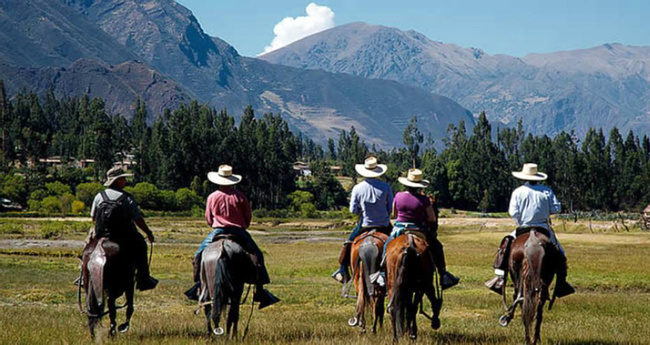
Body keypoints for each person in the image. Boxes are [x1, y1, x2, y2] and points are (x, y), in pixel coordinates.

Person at [185, 165, 279, 309]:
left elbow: (209, 219)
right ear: (233, 181)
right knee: (257, 256)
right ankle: (261, 292)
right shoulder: (240, 197)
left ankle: (198, 285)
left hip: (218, 231)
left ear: (218, 180)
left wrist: (218, 223)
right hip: (238, 231)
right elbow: (247, 219)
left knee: (198, 255)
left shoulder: (212, 197)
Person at [485, 163, 575, 298]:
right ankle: (562, 283)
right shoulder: (546, 191)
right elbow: (557, 208)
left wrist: (521, 218)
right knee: (560, 252)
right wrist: (546, 210)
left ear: (524, 178)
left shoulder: (518, 191)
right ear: (538, 177)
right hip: (543, 228)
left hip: (523, 228)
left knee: (505, 246)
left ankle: (499, 278)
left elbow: (512, 212)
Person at [372, 168, 459, 289]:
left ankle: (382, 272)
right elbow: (432, 218)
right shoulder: (424, 200)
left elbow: (394, 214)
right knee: (437, 247)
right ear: (419, 186)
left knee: (387, 244)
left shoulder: (398, 196)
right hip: (418, 230)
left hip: (399, 229)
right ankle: (443, 274)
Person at [81, 166, 158, 291]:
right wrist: (148, 233)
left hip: (101, 234)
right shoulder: (127, 198)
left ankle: (83, 275)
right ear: (117, 181)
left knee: (87, 248)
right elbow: (138, 219)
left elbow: (93, 218)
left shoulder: (99, 196)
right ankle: (144, 278)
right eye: (123, 178)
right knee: (141, 246)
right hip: (124, 235)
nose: (125, 181)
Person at [331, 156, 394, 284]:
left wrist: (362, 210)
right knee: (396, 243)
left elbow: (352, 210)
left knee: (349, 242)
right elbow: (390, 208)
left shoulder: (357, 188)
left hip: (365, 224)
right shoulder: (386, 187)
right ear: (377, 171)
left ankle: (342, 270)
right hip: (384, 224)